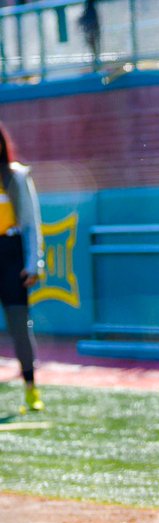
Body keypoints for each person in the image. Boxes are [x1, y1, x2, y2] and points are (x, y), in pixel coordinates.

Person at [0, 121, 44, 414]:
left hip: (9, 254)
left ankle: (30, 387)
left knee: (19, 325)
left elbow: (31, 223)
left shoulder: (15, 177)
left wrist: (33, 263)